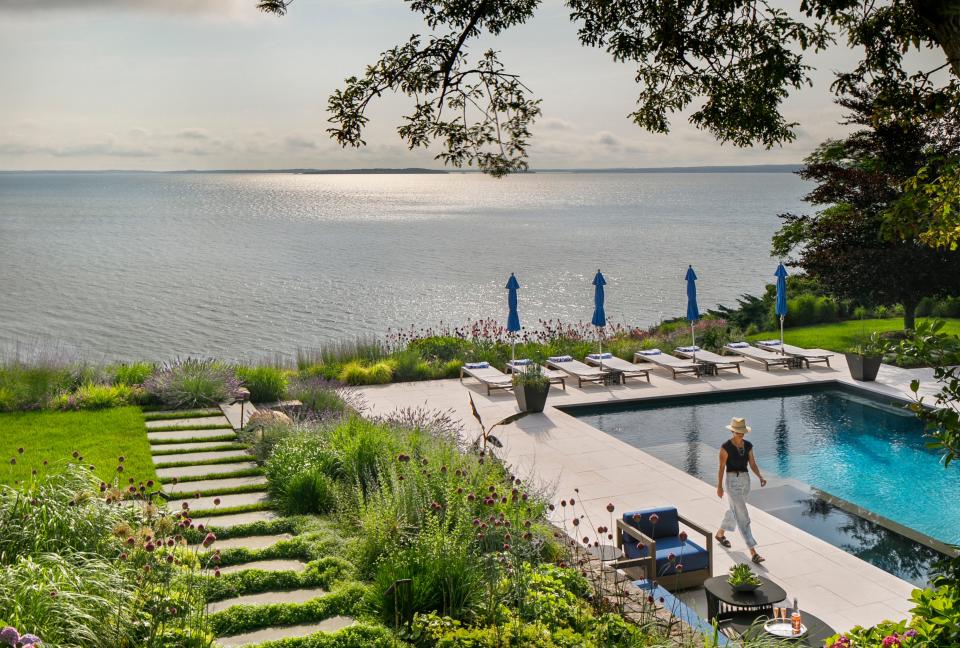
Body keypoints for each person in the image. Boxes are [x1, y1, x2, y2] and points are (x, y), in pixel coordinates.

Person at [715, 417, 767, 563]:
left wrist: (760, 476)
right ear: (732, 431)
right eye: (737, 432)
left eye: (742, 432)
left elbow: (752, 464)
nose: (740, 434)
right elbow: (721, 468)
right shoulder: (725, 447)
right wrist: (719, 486)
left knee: (734, 510)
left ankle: (720, 534)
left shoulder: (748, 446)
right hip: (732, 482)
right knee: (743, 515)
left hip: (745, 481)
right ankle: (753, 551)